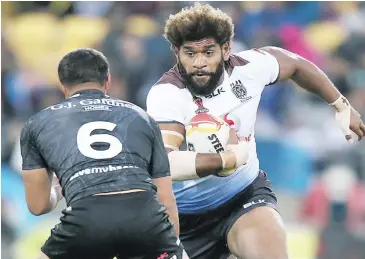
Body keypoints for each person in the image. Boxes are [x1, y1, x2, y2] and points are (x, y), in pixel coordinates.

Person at [146, 3, 365, 259]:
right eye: (190, 53)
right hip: (183, 216)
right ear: (176, 52)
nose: (200, 62)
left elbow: (295, 65)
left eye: (208, 52)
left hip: (243, 197)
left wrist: (340, 105)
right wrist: (226, 160)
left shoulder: (250, 68)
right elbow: (165, 163)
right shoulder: (167, 94)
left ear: (226, 49)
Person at [20, 48, 187, 259]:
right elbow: (165, 197)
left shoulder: (37, 123)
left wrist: (57, 192)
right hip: (145, 217)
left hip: (86, 220)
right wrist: (167, 247)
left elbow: (38, 206)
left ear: (62, 85)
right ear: (107, 81)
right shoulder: (141, 116)